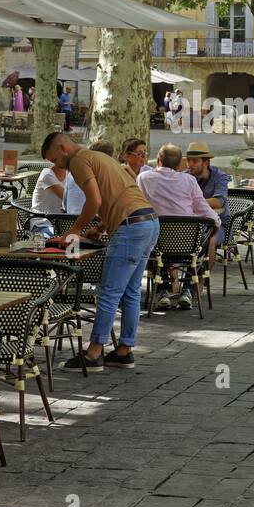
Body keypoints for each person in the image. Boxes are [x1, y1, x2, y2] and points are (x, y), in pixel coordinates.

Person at [42, 131, 159, 371]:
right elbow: (117, 194)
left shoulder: (78, 160)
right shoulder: (99, 157)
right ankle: (124, 350)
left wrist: (73, 231)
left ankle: (94, 353)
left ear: (63, 148)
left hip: (131, 228)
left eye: (53, 159)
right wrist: (100, 227)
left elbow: (94, 201)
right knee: (131, 292)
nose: (56, 165)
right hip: (148, 222)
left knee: (108, 292)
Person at [137, 144, 221, 310]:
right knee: (203, 240)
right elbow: (202, 208)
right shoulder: (189, 180)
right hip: (186, 244)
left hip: (157, 243)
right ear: (178, 165)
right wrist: (215, 223)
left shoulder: (144, 178)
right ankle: (188, 290)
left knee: (150, 237)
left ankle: (163, 290)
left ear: (158, 160)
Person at [185, 141, 229, 250]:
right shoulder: (185, 175)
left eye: (194, 161)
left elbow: (219, 201)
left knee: (207, 239)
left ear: (206, 163)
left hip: (216, 224)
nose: (190, 164)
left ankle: (205, 267)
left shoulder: (219, 176)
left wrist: (194, 202)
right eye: (188, 160)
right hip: (190, 224)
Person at [31, 159, 70, 235]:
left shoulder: (69, 174)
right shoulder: (47, 175)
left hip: (60, 222)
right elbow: (68, 198)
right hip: (42, 222)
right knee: (49, 242)